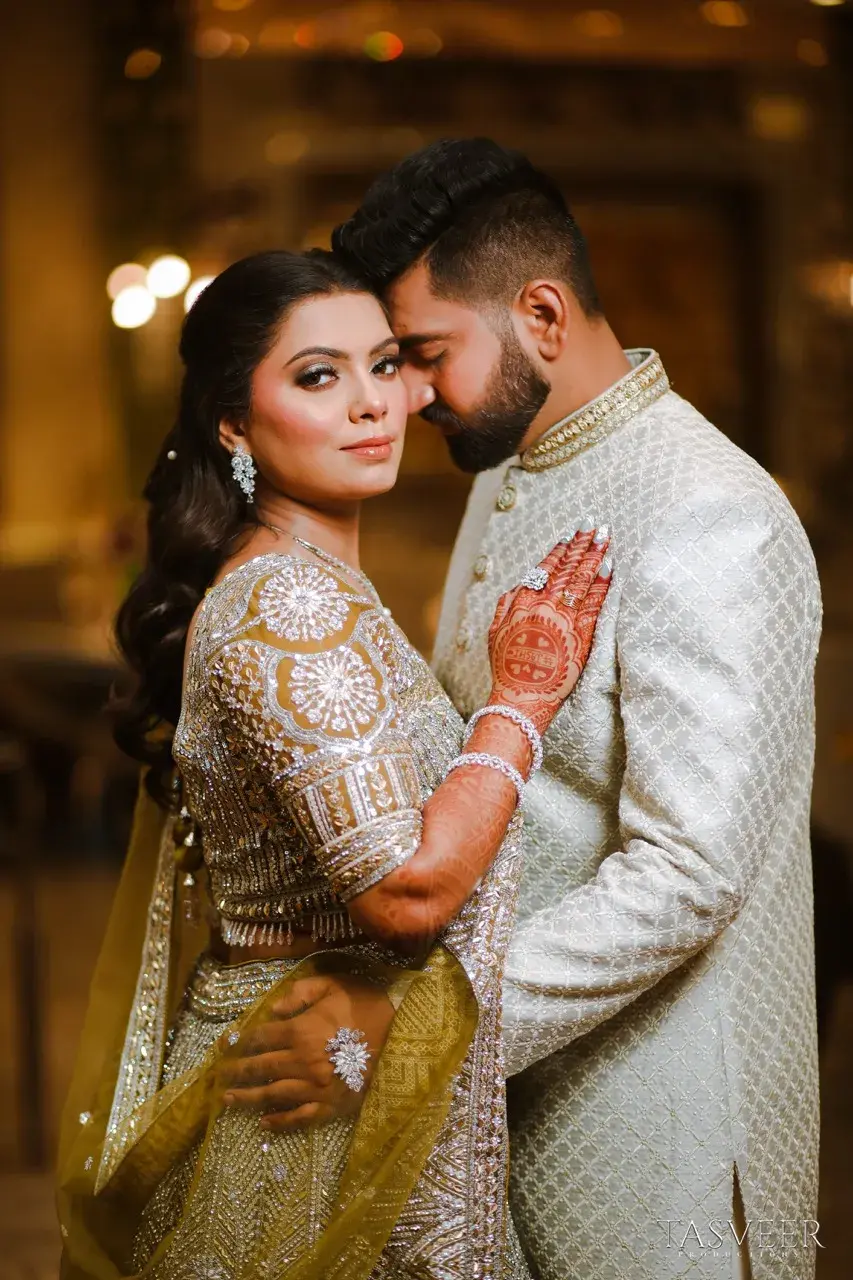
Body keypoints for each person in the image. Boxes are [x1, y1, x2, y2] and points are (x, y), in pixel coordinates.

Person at [227, 140, 823, 1280]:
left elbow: (689, 873)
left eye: (424, 356)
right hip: (493, 1111)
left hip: (654, 1135)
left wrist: (416, 1024)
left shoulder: (713, 513)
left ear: (540, 314)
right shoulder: (506, 468)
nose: (405, 397)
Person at [56, 248, 612, 1280]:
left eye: (385, 364)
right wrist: (521, 700)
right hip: (301, 1110)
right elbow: (403, 893)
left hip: (325, 1070)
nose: (371, 403)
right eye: (319, 375)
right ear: (233, 422)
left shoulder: (306, 583)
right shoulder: (290, 602)